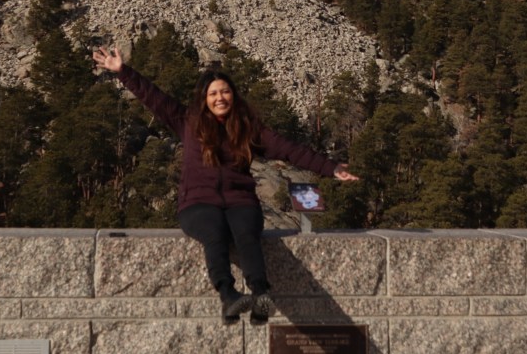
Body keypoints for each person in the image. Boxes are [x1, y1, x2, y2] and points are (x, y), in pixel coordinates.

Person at [93, 46, 359, 325]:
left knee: (246, 234)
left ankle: (260, 294)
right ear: (204, 99)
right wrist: (123, 71)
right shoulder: (187, 122)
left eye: (225, 91)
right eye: (213, 93)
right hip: (197, 203)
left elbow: (291, 150)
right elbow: (153, 97)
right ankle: (228, 294)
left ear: (233, 95)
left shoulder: (248, 129)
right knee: (214, 233)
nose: (220, 97)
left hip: (240, 199)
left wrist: (331, 168)